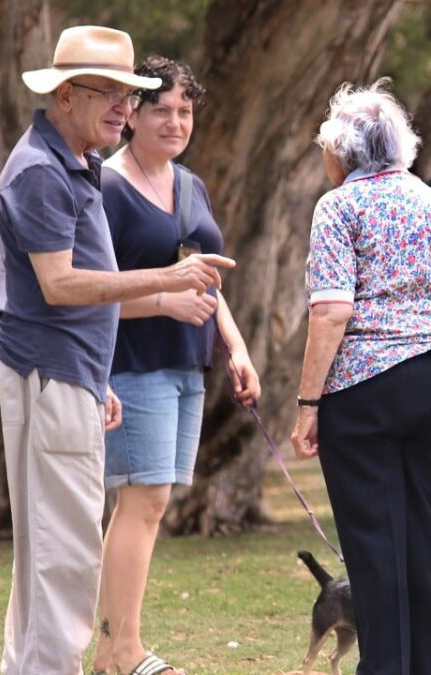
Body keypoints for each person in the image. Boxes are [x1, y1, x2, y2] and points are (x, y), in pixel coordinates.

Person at [0, 26, 234, 675]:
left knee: (54, 547)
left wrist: (95, 376)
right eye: (111, 95)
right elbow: (59, 284)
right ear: (65, 95)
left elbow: (67, 293)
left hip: (69, 374)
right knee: (61, 553)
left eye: (131, 95)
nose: (125, 109)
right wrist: (165, 279)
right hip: (48, 374)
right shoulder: (42, 171)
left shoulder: (77, 164)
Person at [289, 80, 431, 675]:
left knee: (373, 539)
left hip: (366, 384)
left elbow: (331, 311)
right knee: (423, 534)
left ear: (340, 152)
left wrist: (307, 402)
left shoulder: (339, 207)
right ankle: (428, 666)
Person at [90, 55, 261, 675]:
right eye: (160, 108)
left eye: (185, 109)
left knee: (150, 503)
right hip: (132, 364)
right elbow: (90, 291)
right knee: (143, 501)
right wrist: (161, 300)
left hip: (188, 367)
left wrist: (235, 348)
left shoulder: (190, 184)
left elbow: (209, 281)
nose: (174, 120)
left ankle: (114, 651)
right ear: (131, 113)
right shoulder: (105, 186)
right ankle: (121, 650)